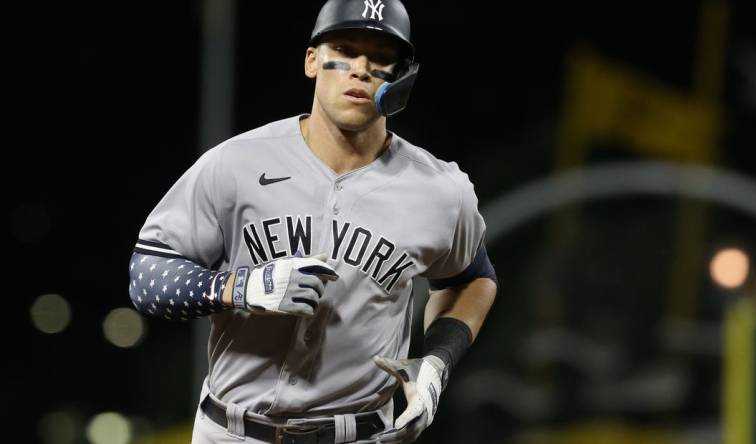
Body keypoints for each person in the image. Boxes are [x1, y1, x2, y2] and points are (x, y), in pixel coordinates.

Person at [128, 1, 497, 442]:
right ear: (312, 60)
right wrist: (238, 287)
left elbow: (473, 280)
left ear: (403, 78)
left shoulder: (440, 190)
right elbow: (148, 274)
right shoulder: (236, 163)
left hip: (358, 434)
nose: (361, 69)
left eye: (381, 57)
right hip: (230, 431)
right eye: (345, 47)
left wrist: (437, 362)